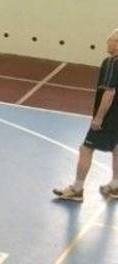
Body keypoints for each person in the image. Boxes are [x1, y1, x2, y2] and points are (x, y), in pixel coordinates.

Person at [53, 29, 118, 202]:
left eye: (111, 40)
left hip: (110, 117)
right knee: (117, 148)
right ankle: (116, 185)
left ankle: (77, 189)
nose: (107, 42)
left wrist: (99, 117)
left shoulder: (112, 62)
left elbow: (110, 92)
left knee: (86, 148)